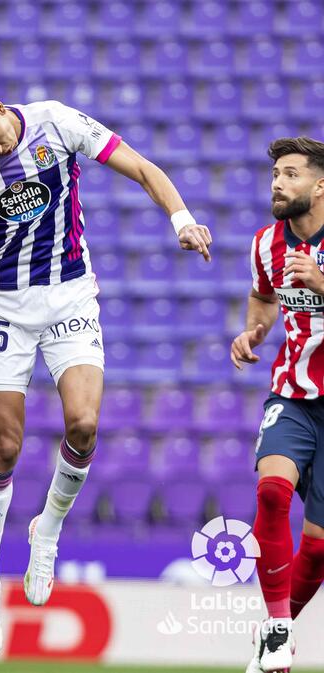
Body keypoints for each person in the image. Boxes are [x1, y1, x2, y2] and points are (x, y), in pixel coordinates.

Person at [0, 86, 213, 653]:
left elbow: (139, 165)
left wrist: (181, 218)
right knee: (5, 447)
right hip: (6, 304)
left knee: (84, 425)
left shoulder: (54, 123)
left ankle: (49, 528)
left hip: (69, 296)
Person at [231, 136, 324, 673]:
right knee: (271, 492)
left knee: (317, 545)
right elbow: (264, 297)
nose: (278, 183)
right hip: (293, 392)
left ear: (319, 185)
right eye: (275, 175)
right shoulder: (267, 242)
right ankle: (277, 630)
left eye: (290, 174)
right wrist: (253, 332)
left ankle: (275, 635)